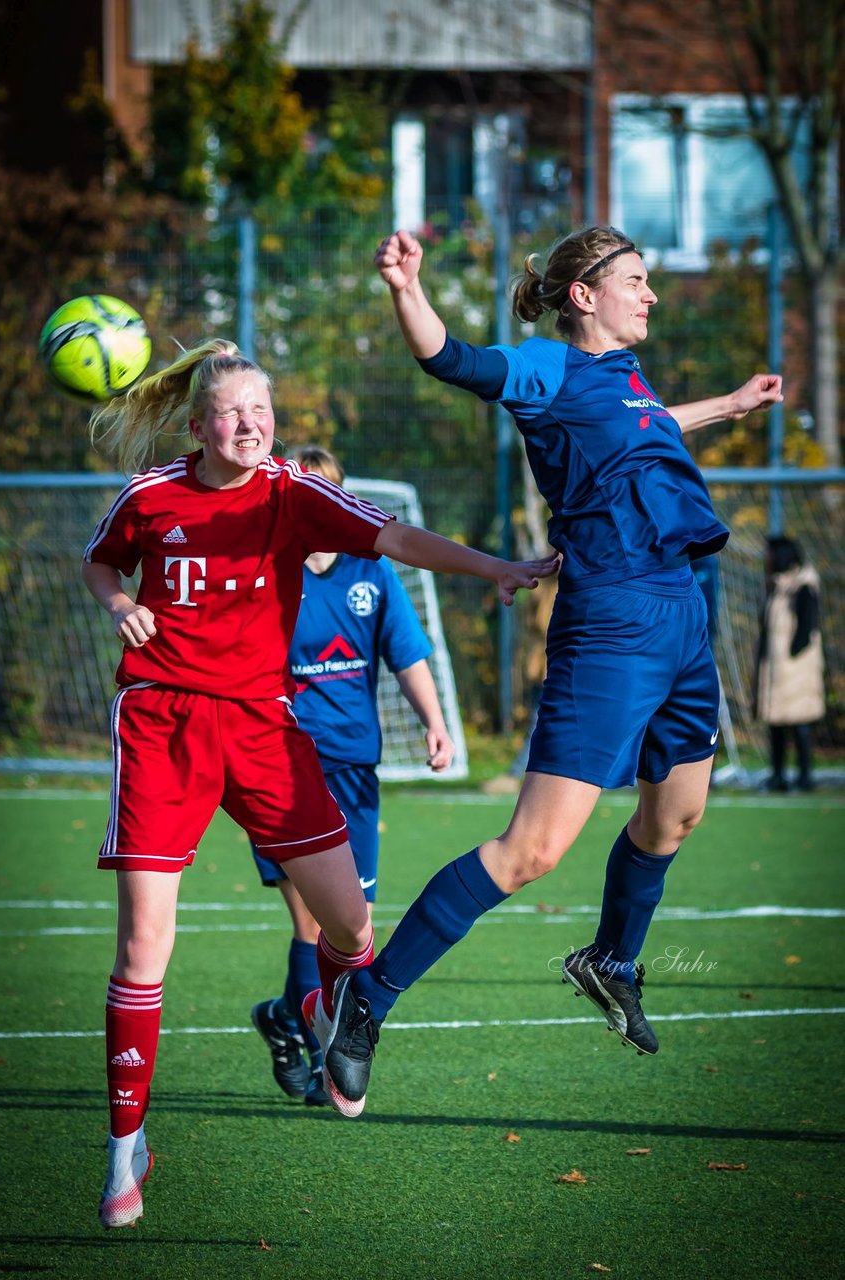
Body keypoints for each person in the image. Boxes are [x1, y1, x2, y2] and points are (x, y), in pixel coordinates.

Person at [300, 225, 784, 1117]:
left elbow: (647, 428)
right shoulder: (548, 370)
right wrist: (408, 288)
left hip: (680, 616)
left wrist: (728, 405)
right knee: (531, 852)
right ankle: (365, 999)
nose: (651, 295)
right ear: (584, 295)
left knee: (674, 819)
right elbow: (454, 360)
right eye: (636, 280)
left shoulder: (626, 383)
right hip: (610, 624)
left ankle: (611, 960)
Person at [82, 338, 558, 1227]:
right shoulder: (151, 496)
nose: (249, 424)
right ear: (198, 426)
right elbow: (102, 560)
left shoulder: (293, 493)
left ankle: (331, 1004)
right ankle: (123, 1149)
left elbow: (397, 536)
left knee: (351, 923)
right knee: (145, 946)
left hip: (265, 726)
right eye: (231, 412)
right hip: (164, 721)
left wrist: (495, 566)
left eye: (261, 410)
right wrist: (118, 602)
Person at [250, 444, 455, 1107]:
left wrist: (434, 720)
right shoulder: (267, 572)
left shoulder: (372, 572)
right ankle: (322, 1064)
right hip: (278, 767)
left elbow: (407, 653)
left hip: (354, 771)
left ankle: (285, 1017)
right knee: (310, 925)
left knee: (351, 926)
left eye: (328, 492)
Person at [753, 535, 824, 791]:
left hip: (797, 668)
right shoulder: (773, 586)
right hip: (775, 667)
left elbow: (807, 628)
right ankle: (778, 776)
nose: (766, 559)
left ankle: (805, 778)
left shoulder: (804, 585)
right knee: (776, 727)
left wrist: (791, 653)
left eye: (769, 553)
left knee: (801, 725)